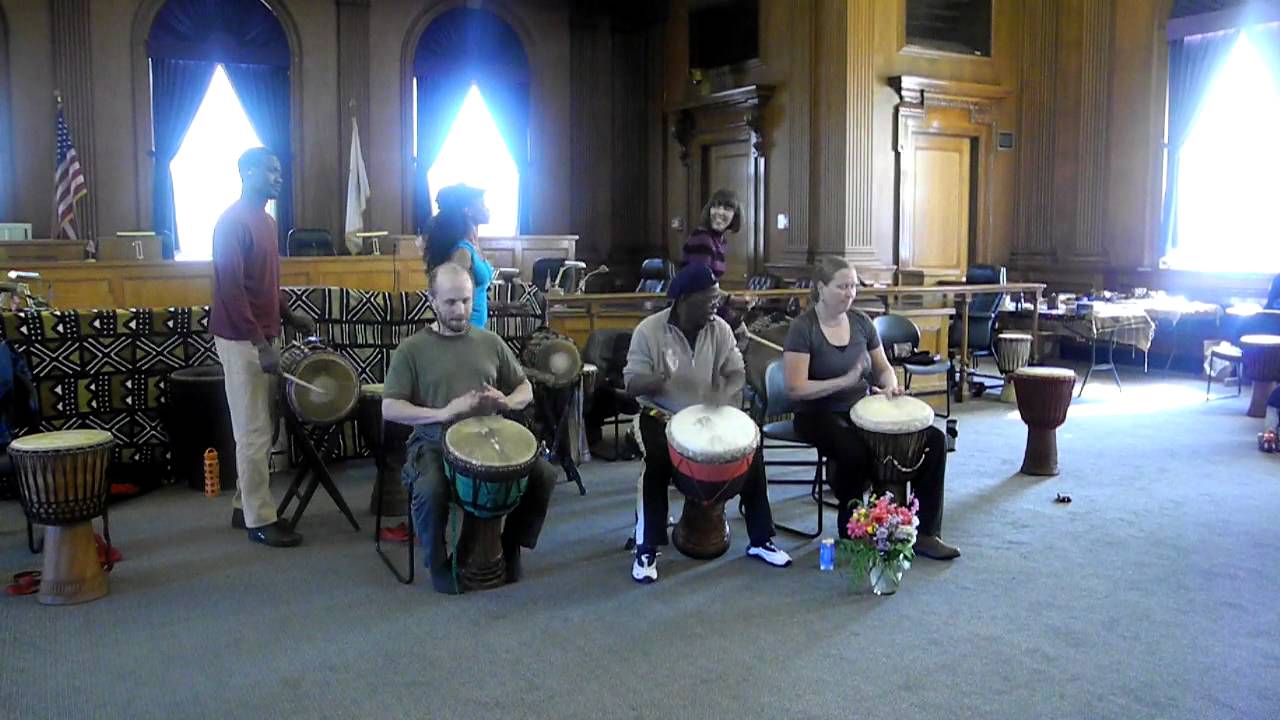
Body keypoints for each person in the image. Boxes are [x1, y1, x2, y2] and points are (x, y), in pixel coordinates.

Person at [382, 262, 556, 595]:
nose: (460, 310)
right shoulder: (412, 350)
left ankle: (512, 544)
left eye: (465, 300)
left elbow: (525, 389)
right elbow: (390, 407)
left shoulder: (489, 342)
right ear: (432, 300)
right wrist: (444, 411)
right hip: (434, 440)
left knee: (544, 474)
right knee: (431, 487)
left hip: (491, 436)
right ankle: (437, 563)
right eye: (450, 302)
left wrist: (505, 401)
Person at [623, 263, 792, 584]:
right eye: (709, 300)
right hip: (660, 414)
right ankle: (646, 548)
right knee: (656, 463)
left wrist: (723, 393)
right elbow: (631, 384)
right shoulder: (649, 330)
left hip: (710, 415)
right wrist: (657, 379)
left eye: (717, 299)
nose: (717, 305)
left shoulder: (720, 329)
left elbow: (736, 373)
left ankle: (761, 539)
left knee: (752, 452)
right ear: (684, 299)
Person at [782, 256, 959, 560]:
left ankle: (927, 532)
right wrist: (845, 381)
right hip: (815, 413)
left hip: (860, 407)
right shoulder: (803, 328)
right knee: (853, 451)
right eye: (842, 286)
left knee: (934, 440)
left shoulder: (862, 322)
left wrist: (890, 386)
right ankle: (852, 528)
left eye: (853, 286)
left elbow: (883, 368)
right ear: (821, 288)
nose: (850, 293)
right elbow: (796, 388)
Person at [211, 147, 316, 548]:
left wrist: (288, 315)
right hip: (240, 339)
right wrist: (260, 344)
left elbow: (264, 284)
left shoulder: (268, 223)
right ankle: (260, 519)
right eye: (271, 170)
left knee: (263, 427)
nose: (279, 177)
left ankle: (244, 505)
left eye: (280, 170)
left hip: (261, 334)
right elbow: (231, 291)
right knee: (253, 431)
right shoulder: (231, 223)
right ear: (247, 172)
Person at [425, 184, 494, 328]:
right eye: (481, 204)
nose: (487, 208)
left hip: (479, 328)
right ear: (467, 210)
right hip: (465, 329)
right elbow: (455, 295)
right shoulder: (462, 251)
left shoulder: (473, 245)